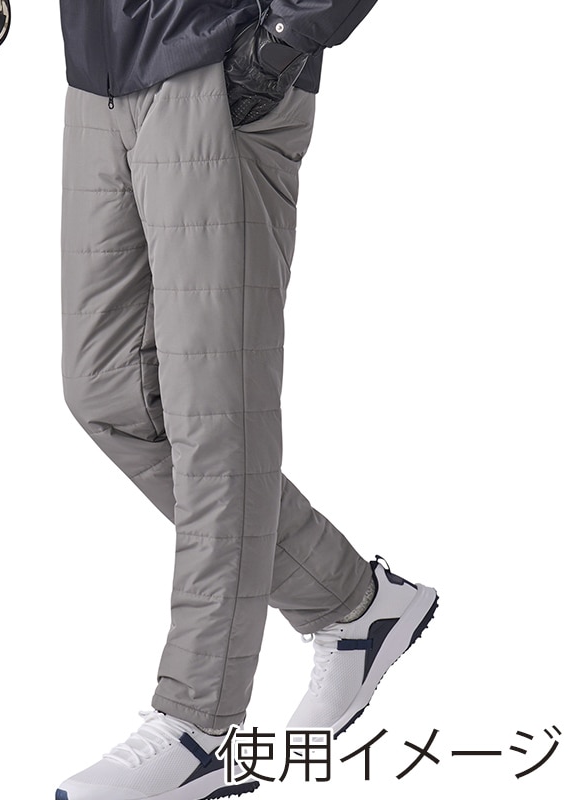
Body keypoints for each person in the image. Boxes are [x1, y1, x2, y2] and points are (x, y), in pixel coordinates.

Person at [55, 2, 438, 798]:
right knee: (111, 392)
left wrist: (282, 44)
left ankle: (198, 727)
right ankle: (354, 604)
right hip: (98, 73)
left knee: (213, 412)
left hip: (214, 66)